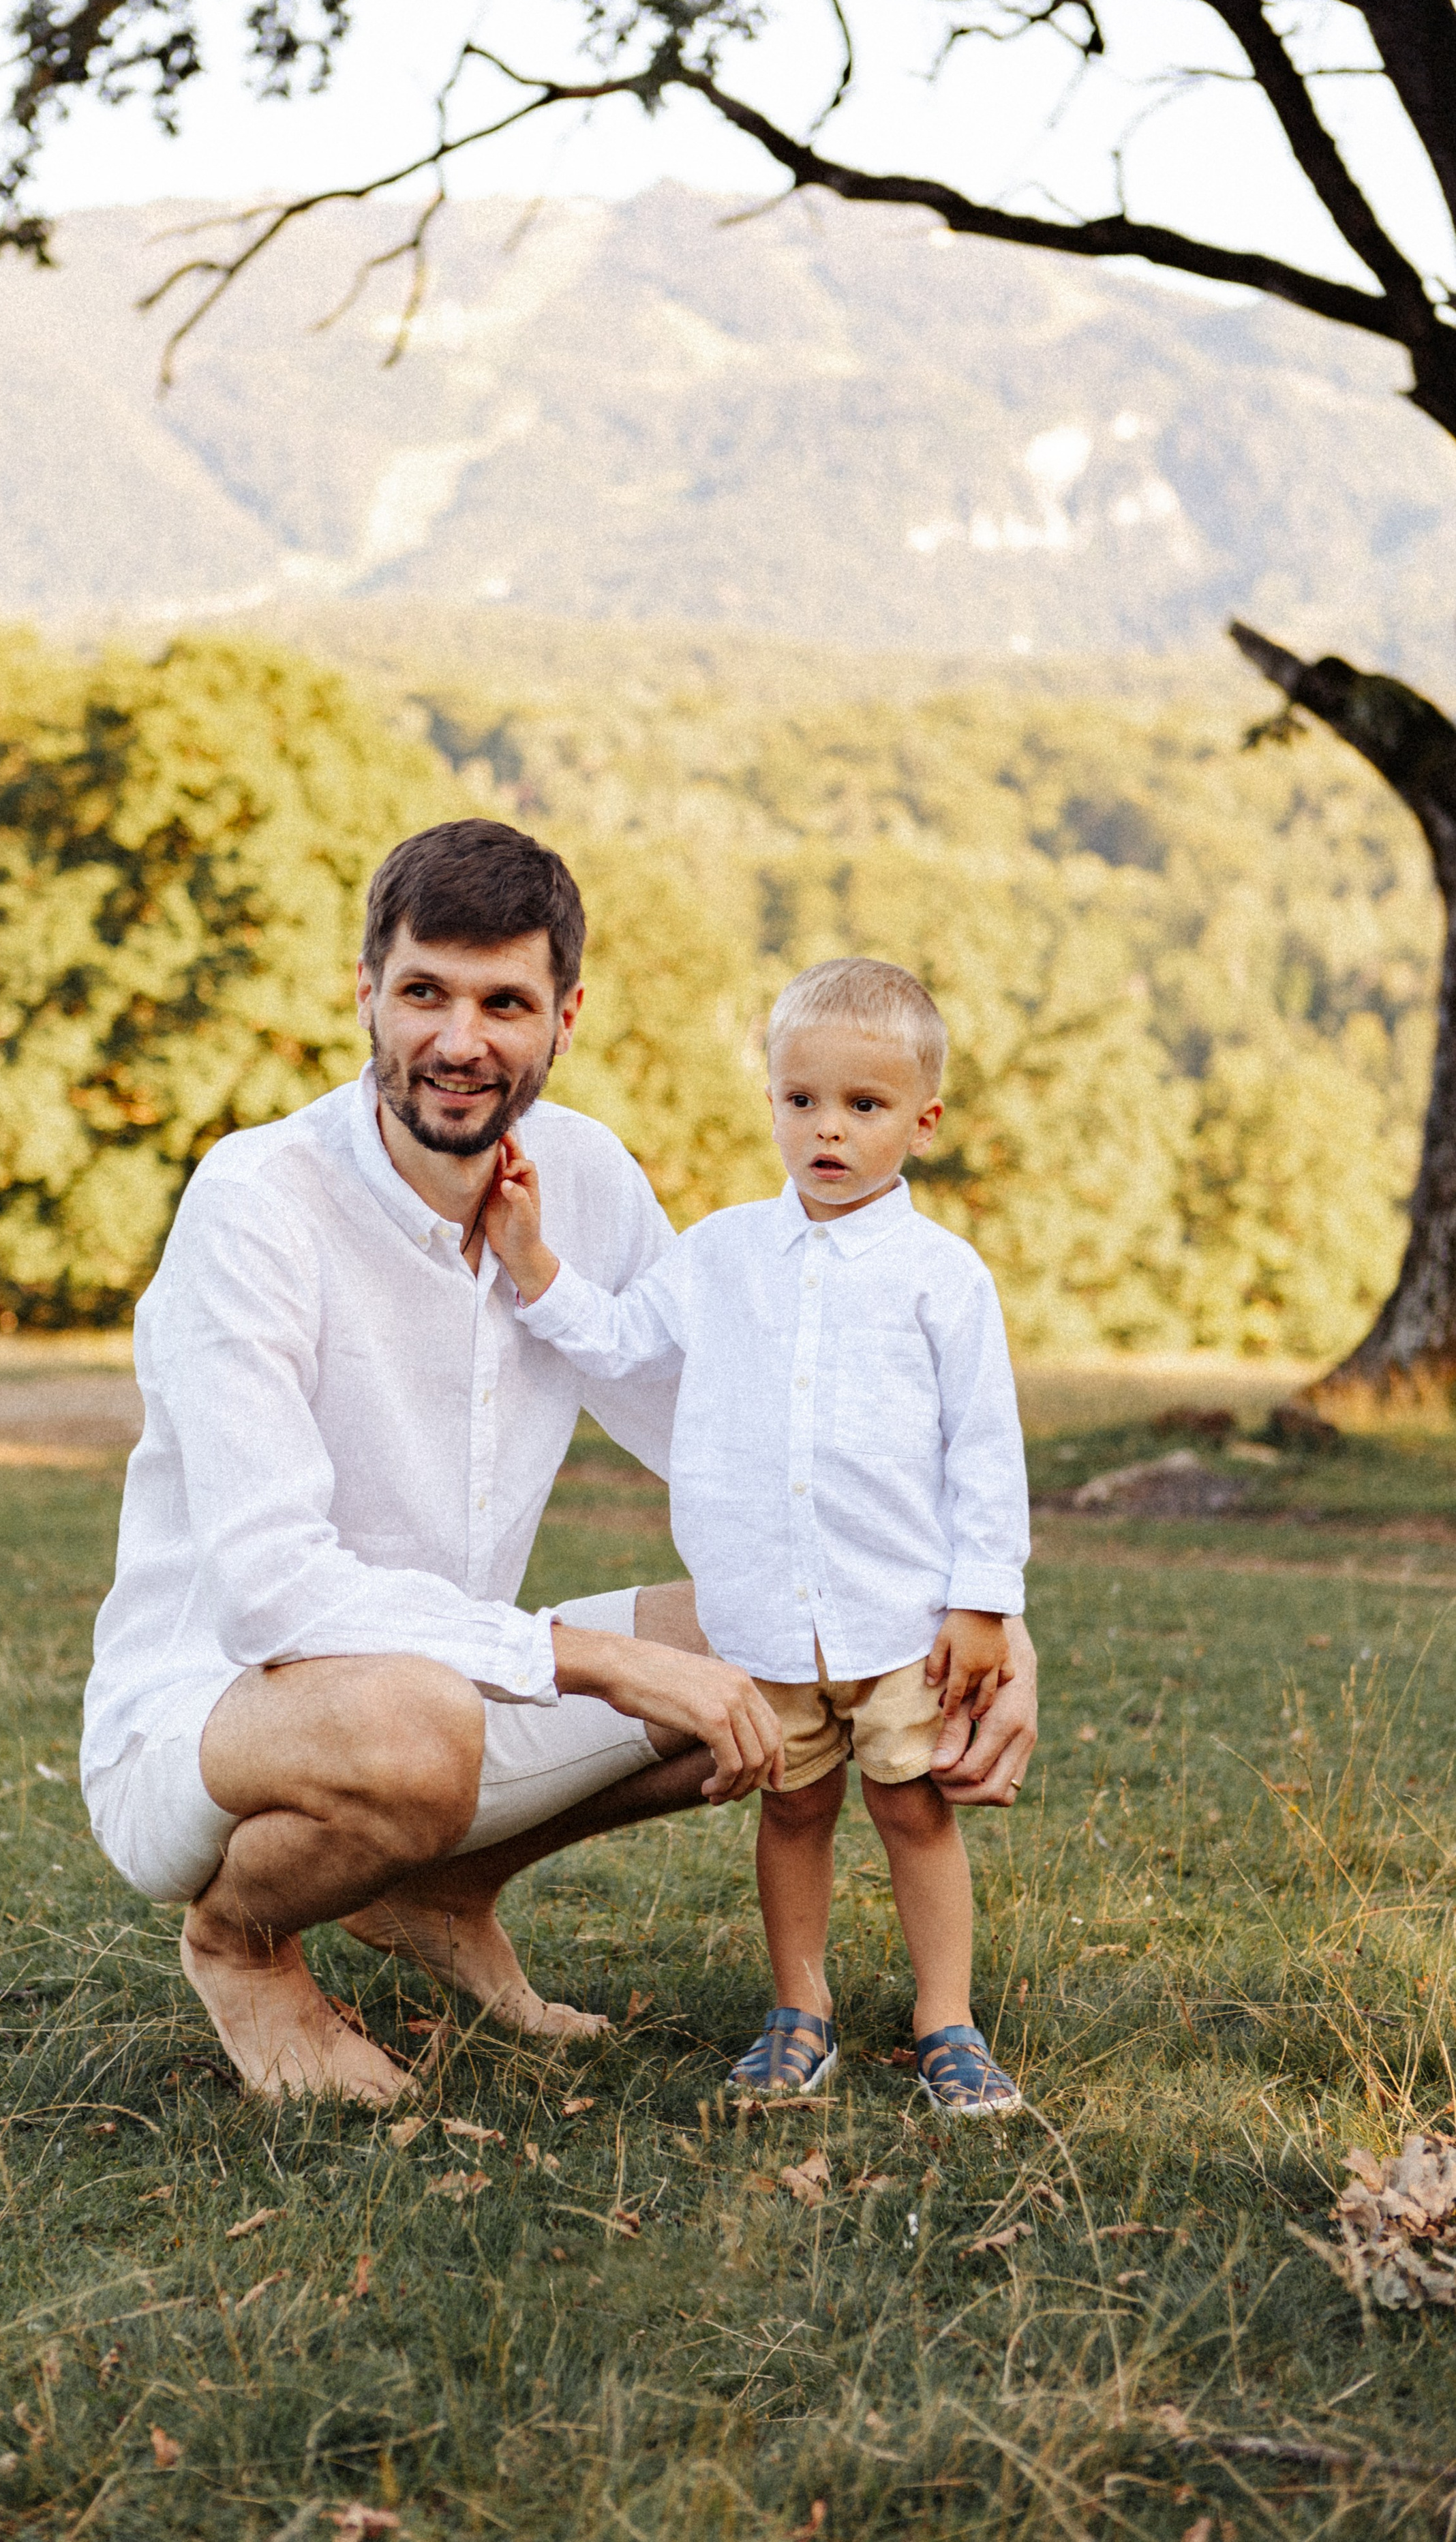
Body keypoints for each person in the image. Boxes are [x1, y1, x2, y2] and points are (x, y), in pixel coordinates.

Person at [82, 823, 1039, 2104]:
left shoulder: (578, 1175)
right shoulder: (256, 1201)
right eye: (425, 992)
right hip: (214, 1721)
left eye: (504, 1002)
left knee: (788, 1622)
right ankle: (243, 1943)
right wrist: (596, 1657)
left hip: (444, 1698)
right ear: (366, 992)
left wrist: (970, 1619)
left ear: (564, 1017)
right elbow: (271, 1593)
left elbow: (738, 1429)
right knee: (414, 1716)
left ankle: (437, 1887)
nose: (460, 1040)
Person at [485, 955, 1032, 2115]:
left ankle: (948, 2019)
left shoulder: (944, 1279)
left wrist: (984, 1601)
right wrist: (533, 1261)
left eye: (864, 1107)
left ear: (922, 1121)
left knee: (913, 1808)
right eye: (802, 1101)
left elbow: (984, 1451)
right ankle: (800, 2012)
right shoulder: (725, 1253)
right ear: (774, 1099)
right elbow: (628, 1339)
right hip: (767, 1613)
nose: (827, 1130)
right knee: (792, 1808)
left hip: (898, 1620)